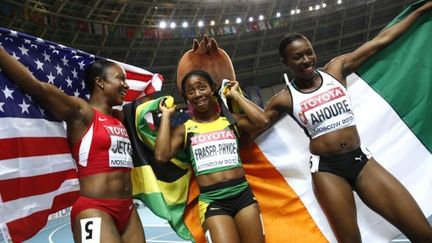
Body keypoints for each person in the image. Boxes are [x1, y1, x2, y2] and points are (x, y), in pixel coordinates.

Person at [264, 2, 432, 243]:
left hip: (360, 161)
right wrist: (230, 95)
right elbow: (253, 126)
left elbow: (381, 41)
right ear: (286, 63)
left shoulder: (336, 69)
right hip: (327, 171)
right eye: (297, 57)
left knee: (423, 234)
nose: (306, 60)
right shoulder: (284, 99)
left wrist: (420, 11)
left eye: (308, 52)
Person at [0, 48, 146, 243]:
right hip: (95, 209)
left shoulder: (119, 118)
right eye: (120, 78)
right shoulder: (82, 113)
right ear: (100, 82)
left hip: (128, 210)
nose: (126, 85)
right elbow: (36, 87)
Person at [154, 70, 268, 243]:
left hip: (243, 196)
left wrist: (236, 95)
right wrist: (166, 117)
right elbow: (162, 156)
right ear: (186, 97)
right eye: (191, 91)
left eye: (202, 87)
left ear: (212, 88)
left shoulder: (231, 121)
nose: (198, 94)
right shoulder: (185, 129)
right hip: (213, 202)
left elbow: (262, 121)